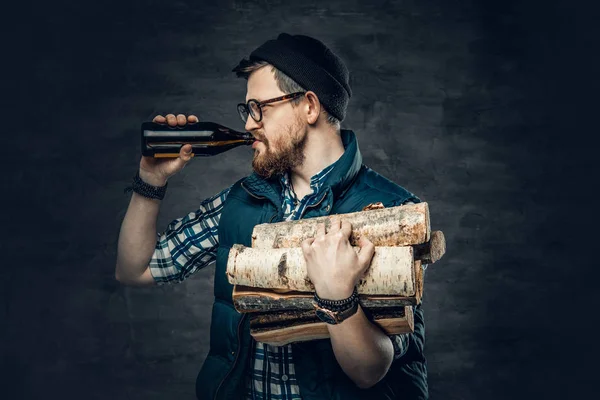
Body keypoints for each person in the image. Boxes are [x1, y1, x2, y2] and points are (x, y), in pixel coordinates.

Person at [115, 32, 428, 400]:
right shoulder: (241, 201)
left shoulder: (391, 213)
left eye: (259, 107)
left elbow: (370, 372)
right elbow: (135, 269)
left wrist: (338, 299)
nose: (249, 124)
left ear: (309, 107)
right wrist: (150, 182)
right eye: (247, 110)